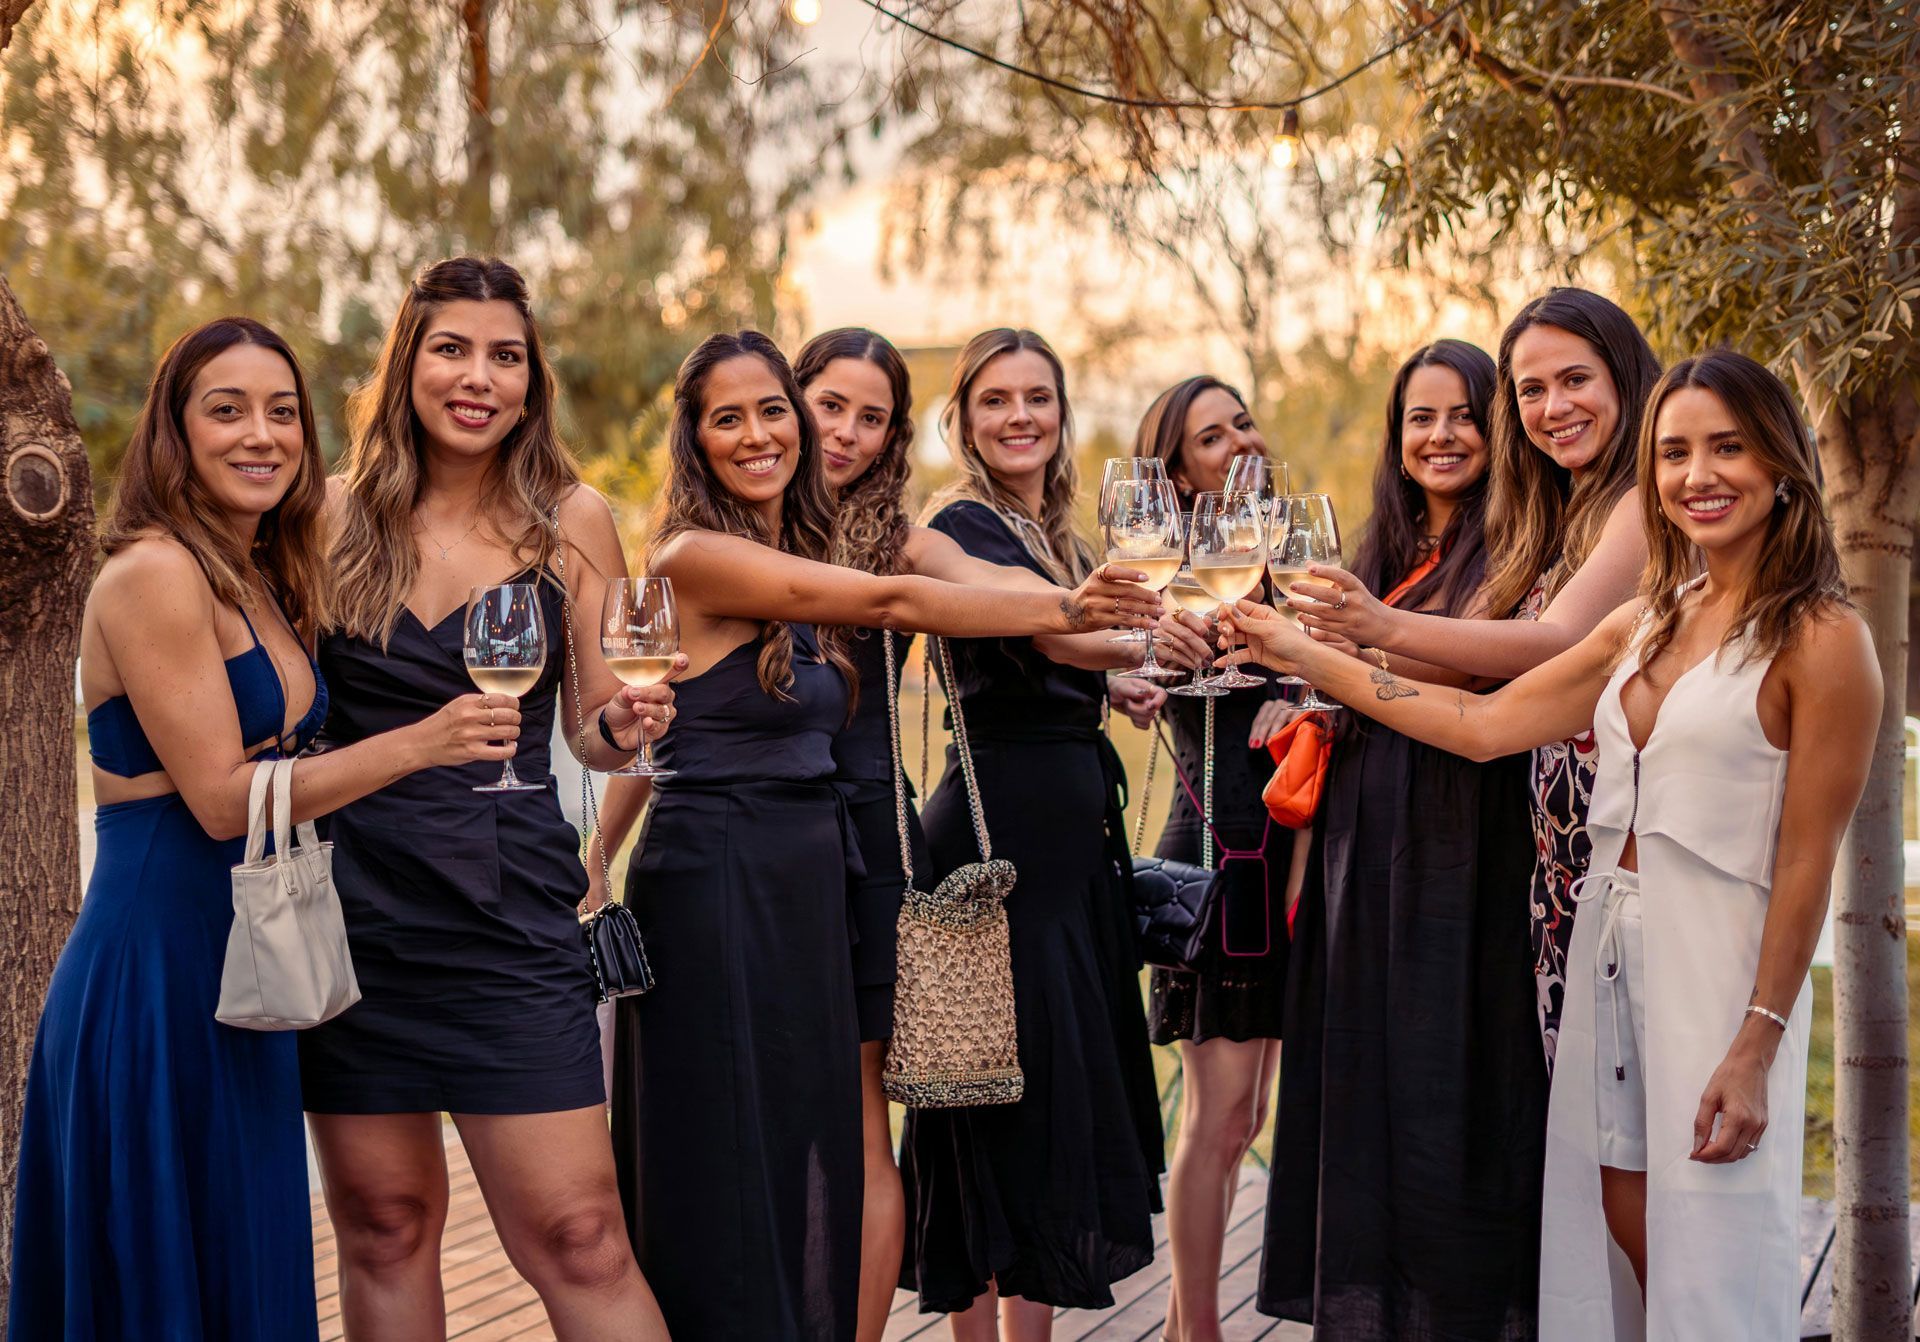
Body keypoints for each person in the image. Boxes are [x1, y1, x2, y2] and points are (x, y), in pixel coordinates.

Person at [1226, 348, 1878, 1340]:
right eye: (1673, 453)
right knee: (1615, 1220)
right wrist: (1311, 654)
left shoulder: (1824, 638)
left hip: (1718, 959)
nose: (1697, 475)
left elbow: (1805, 862)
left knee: (1704, 1237)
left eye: (1728, 448)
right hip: (1605, 944)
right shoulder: (1648, 615)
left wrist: (1758, 1039)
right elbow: (1480, 724)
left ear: (1783, 461)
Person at [607, 329, 1162, 1342]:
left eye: (872, 414)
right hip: (738, 863)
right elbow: (662, 729)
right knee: (744, 1124)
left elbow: (993, 606)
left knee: (850, 1126)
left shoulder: (880, 532)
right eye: (822, 406)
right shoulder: (723, 555)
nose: (840, 431)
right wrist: (595, 854)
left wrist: (1110, 641)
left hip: (855, 848)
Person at [7, 318, 514, 1340]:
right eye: (226, 410)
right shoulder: (155, 573)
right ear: (175, 433)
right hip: (159, 971)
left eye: (282, 412)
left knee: (242, 1252)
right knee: (166, 1265)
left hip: (251, 964)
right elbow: (222, 799)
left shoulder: (260, 576)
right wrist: (424, 742)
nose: (261, 434)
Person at [301, 257, 676, 1341]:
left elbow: (595, 734)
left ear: (531, 379)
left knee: (581, 1238)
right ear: (406, 364)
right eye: (452, 349)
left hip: (512, 924)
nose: (479, 377)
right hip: (357, 922)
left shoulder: (571, 519)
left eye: (505, 355)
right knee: (382, 1224)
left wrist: (631, 727)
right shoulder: (325, 520)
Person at [1229, 340, 1546, 1340]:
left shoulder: (1520, 551)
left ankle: (1459, 1310)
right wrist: (1303, 693)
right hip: (1363, 854)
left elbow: (1467, 686)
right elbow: (1348, 672)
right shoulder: (1381, 550)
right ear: (1396, 437)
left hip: (1463, 845)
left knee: (1450, 1078)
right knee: (1366, 1080)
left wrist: (1328, 652)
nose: (1441, 435)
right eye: (1420, 416)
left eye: (1463, 415)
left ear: (1498, 430)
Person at [1294, 288, 1663, 1064]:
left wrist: (1372, 626)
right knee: (1585, 1139)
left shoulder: (1640, 501)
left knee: (1628, 1128)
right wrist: (1299, 645)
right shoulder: (1562, 509)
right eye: (1531, 390)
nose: (1552, 406)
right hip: (1560, 854)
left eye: (1575, 379)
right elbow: (1459, 655)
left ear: (1625, 377)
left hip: (1622, 855)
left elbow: (1555, 641)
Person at [897, 328, 1167, 1342]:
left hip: (1070, 854)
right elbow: (1043, 625)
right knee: (983, 1104)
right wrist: (1134, 635)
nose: (1019, 417)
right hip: (988, 852)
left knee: (1054, 1109)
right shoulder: (944, 527)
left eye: (1037, 398)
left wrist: (1124, 674)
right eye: (995, 400)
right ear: (962, 418)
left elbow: (1077, 645)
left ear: (1060, 411)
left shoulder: (1069, 537)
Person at [1118, 375, 1293, 1342]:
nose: (1237, 443)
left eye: (1242, 423)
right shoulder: (1172, 584)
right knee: (1216, 1117)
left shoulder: (1290, 560)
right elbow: (1140, 667)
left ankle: (1192, 1327)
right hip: (1222, 858)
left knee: (1249, 1113)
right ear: (1177, 475)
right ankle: (1197, 1331)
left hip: (1291, 858)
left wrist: (1308, 698)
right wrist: (1155, 652)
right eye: (1209, 437)